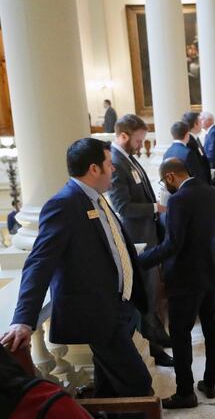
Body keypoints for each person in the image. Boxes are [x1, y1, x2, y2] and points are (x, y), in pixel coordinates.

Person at [0, 138, 152, 397]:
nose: (113, 169)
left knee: (110, 388)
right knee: (138, 383)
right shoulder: (64, 204)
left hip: (120, 307)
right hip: (98, 315)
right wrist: (23, 320)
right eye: (109, 164)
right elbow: (39, 262)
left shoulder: (97, 199)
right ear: (94, 169)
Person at [137, 158, 215, 409]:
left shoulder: (177, 200)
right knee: (211, 329)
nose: (166, 186)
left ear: (172, 176)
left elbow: (172, 244)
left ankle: (186, 392)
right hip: (210, 271)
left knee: (181, 334)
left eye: (165, 182)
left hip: (185, 278)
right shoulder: (211, 192)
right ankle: (210, 382)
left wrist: (140, 261)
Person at [107, 114, 173, 367]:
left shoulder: (129, 159)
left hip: (147, 234)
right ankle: (152, 347)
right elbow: (123, 206)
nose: (140, 144)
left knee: (152, 290)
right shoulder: (116, 162)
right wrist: (155, 208)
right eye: (138, 140)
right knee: (143, 293)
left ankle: (156, 335)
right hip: (135, 237)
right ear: (123, 136)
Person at [183, 111, 212, 183]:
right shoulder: (189, 142)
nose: (202, 124)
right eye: (200, 121)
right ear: (195, 124)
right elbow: (195, 168)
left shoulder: (196, 138)